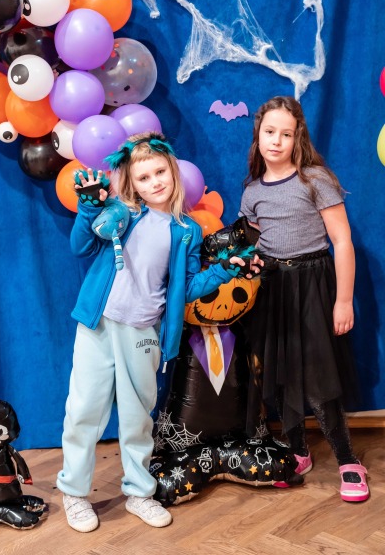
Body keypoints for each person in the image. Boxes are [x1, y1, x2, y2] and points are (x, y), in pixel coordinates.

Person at [57, 132, 262, 532]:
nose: (154, 182)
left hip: (144, 333)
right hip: (99, 325)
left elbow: (187, 287)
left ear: (173, 172)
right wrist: (88, 208)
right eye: (144, 177)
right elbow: (81, 247)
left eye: (160, 173)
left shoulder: (187, 231)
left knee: (138, 418)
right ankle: (75, 493)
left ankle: (139, 492)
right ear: (132, 184)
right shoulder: (119, 212)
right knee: (83, 412)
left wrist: (225, 270)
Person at [238, 96, 369, 503]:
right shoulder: (252, 191)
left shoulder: (315, 179)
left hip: (314, 284)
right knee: (279, 372)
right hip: (273, 289)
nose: (276, 141)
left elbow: (342, 241)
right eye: (269, 132)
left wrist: (343, 301)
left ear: (298, 138)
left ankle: (347, 459)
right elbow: (254, 246)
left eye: (286, 134)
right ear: (258, 135)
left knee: (318, 375)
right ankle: (297, 451)